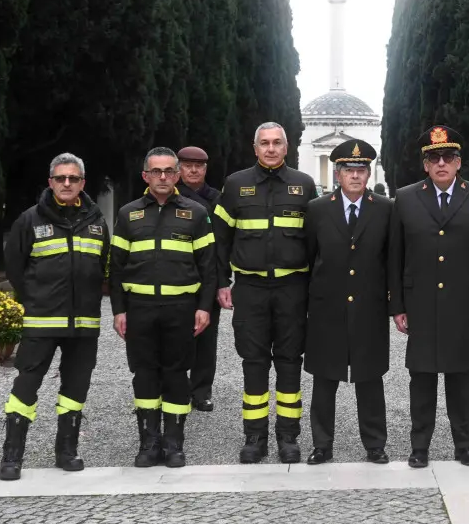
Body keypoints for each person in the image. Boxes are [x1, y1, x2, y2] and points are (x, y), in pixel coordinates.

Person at [388, 125, 469, 468]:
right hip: (420, 303)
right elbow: (395, 256)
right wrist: (397, 305)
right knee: (421, 379)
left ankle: (463, 445)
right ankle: (419, 446)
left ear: (458, 163)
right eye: (433, 157)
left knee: (461, 379)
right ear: (425, 165)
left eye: (448, 157)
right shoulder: (406, 198)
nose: (441, 163)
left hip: (464, 305)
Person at [0, 153, 109, 481]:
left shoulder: (96, 222)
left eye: (73, 179)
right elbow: (15, 269)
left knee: (75, 389)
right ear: (50, 182)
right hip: (41, 323)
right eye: (60, 178)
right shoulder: (29, 220)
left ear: (82, 184)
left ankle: (67, 451)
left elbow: (102, 266)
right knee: (25, 388)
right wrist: (34, 300)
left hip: (84, 325)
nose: (66, 184)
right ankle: (12, 456)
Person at [212, 123, 317, 464]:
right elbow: (220, 239)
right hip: (251, 289)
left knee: (289, 362)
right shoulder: (235, 184)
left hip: (292, 288)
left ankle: (288, 436)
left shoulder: (303, 185)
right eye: (264, 143)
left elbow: (316, 242)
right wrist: (220, 282)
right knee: (253, 363)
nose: (270, 149)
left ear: (286, 148)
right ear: (254, 148)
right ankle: (254, 436)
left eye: (277, 143)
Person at [109, 147, 218, 469]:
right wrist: (119, 310)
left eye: (170, 171)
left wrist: (204, 307)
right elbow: (115, 268)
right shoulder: (128, 214)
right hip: (140, 308)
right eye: (156, 171)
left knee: (176, 375)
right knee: (144, 375)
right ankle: (148, 442)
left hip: (181, 309)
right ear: (145, 175)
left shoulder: (196, 213)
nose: (163, 177)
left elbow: (208, 267)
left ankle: (173, 444)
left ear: (177, 175)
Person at [303, 138, 393, 465]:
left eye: (361, 169)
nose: (355, 175)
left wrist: (394, 304)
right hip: (328, 308)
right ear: (337, 174)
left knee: (370, 379)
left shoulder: (384, 208)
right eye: (348, 170)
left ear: (368, 174)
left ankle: (375, 445)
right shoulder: (317, 209)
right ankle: (321, 444)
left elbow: (391, 259)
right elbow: (310, 258)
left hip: (369, 308)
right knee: (325, 380)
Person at [176, 145, 222, 412]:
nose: (193, 170)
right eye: (188, 165)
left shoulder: (217, 199)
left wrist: (221, 281)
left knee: (206, 339)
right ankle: (177, 388)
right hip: (179, 276)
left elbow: (223, 242)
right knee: (178, 337)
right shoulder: (169, 197)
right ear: (179, 168)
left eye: (199, 166)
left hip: (208, 276)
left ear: (205, 169)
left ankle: (202, 390)